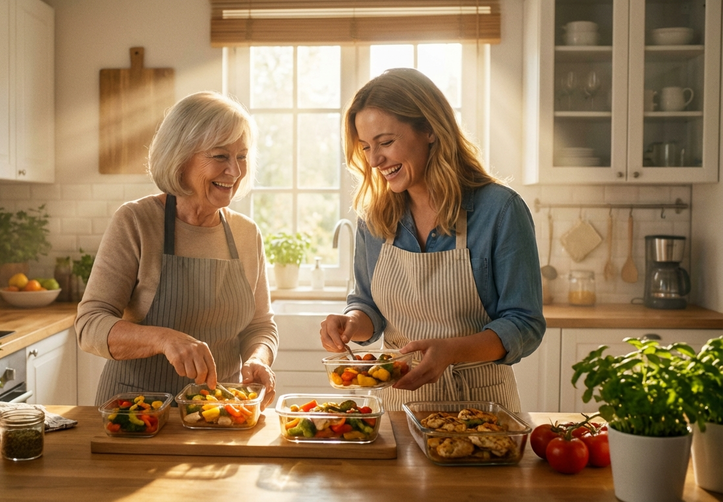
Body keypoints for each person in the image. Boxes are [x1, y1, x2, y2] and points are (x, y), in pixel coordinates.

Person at [319, 68, 545, 413]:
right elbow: (368, 304)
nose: (374, 160)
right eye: (365, 147)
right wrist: (351, 322)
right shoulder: (375, 217)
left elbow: (524, 324)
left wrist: (453, 351)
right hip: (397, 407)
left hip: (481, 410)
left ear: (429, 130)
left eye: (385, 142)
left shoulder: (500, 210)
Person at [76, 91, 278, 408]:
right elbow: (89, 325)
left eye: (241, 156)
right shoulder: (136, 222)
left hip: (218, 411)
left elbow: (260, 326)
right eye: (220, 156)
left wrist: (257, 359)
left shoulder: (246, 233)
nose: (235, 172)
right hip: (136, 413)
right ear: (180, 157)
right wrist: (164, 339)